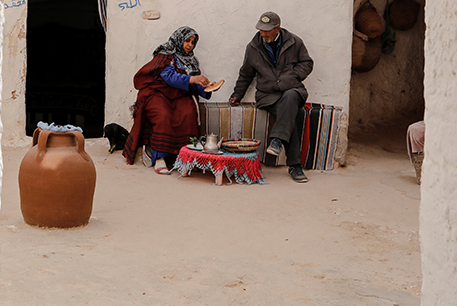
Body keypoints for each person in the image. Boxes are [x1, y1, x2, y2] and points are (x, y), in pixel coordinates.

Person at [228, 12, 314, 183]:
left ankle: (277, 141)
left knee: (290, 97)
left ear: (277, 29)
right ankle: (295, 166)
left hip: (293, 89)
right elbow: (246, 74)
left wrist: (293, 76)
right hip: (268, 96)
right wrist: (237, 94)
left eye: (267, 30)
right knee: (289, 113)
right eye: (261, 30)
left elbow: (307, 63)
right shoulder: (253, 47)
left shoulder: (294, 42)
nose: (264, 34)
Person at [123, 26, 216, 174]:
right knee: (163, 115)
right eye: (187, 41)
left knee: (188, 113)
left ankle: (185, 157)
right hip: (158, 93)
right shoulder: (165, 54)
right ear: (179, 39)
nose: (189, 45)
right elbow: (169, 77)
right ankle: (159, 157)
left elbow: (193, 84)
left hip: (178, 95)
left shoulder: (191, 61)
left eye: (193, 42)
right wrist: (193, 78)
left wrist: (207, 88)